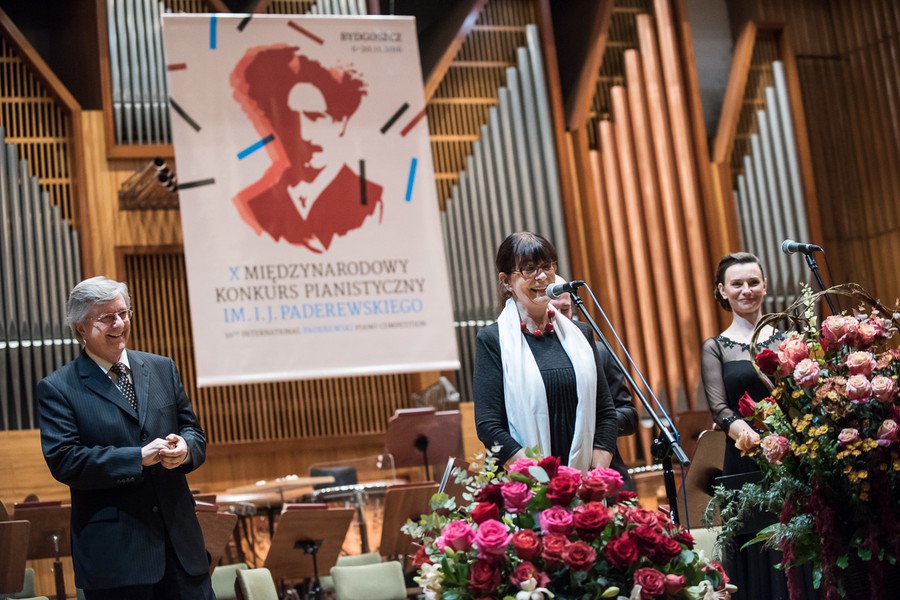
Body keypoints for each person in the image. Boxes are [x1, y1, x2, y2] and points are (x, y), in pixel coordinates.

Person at [37, 276, 213, 600]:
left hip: (182, 551)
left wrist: (186, 448)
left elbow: (195, 433)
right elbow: (65, 460)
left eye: (123, 313)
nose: (119, 324)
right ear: (80, 328)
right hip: (117, 560)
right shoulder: (58, 388)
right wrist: (136, 458)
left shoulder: (162, 368)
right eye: (107, 317)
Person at [701, 253, 817, 599]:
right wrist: (754, 438)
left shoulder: (789, 338)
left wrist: (786, 439)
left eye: (753, 282)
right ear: (722, 291)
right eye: (736, 284)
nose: (746, 290)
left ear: (765, 286)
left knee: (801, 542)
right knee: (757, 548)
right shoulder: (716, 348)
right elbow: (719, 408)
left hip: (793, 454)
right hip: (744, 457)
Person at [473, 232, 617, 472]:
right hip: (530, 483)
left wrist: (595, 477)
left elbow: (605, 413)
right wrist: (540, 479)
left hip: (584, 479)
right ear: (506, 281)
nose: (541, 277)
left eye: (547, 266)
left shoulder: (581, 334)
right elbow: (489, 426)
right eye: (529, 269)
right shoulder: (492, 340)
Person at [230, 46, 383, 252]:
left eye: (315, 118)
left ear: (341, 123)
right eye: (291, 120)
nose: (304, 135)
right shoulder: (257, 207)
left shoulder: (373, 202)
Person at [549, 276, 637, 491]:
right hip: (552, 475)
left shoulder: (599, 352)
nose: (560, 317)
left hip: (604, 470)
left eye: (565, 309)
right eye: (553, 310)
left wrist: (593, 423)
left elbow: (629, 416)